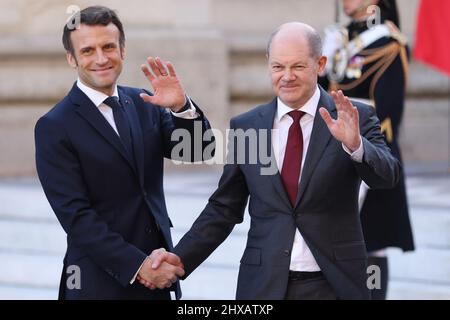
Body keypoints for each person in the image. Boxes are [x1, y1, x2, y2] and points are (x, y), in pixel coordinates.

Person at [142, 22, 400, 300]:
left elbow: (387, 176)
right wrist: (180, 259)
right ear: (268, 65)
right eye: (278, 67)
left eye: (298, 67)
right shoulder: (248, 126)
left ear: (320, 63)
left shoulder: (352, 116)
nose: (287, 76)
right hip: (264, 285)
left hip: (335, 285)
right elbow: (224, 208)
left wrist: (355, 145)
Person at [34, 5, 213, 300]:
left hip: (157, 277)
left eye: (108, 46)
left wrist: (182, 108)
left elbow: (197, 150)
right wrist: (138, 265)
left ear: (123, 50)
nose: (101, 58)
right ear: (72, 58)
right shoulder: (54, 126)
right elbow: (77, 218)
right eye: (88, 50)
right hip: (97, 283)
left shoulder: (143, 103)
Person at [318, 0, 414, 299]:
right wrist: (323, 63)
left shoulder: (388, 43)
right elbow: (321, 96)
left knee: (372, 239)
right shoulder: (341, 40)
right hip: (332, 149)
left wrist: (367, 151)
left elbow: (387, 115)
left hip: (370, 150)